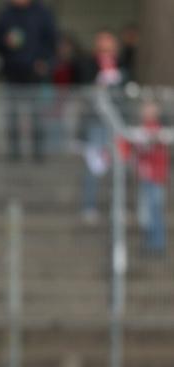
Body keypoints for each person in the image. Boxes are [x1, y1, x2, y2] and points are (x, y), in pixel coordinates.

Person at [0, 0, 56, 161]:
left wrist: (45, 61)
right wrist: (4, 42)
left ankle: (38, 153)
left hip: (35, 72)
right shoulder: (5, 13)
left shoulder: (42, 12)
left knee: (37, 113)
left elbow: (52, 40)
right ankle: (14, 153)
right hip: (11, 71)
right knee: (12, 113)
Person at [79, 30, 127, 223]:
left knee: (118, 166)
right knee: (93, 166)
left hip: (117, 125)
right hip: (95, 123)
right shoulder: (89, 65)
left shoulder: (122, 66)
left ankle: (117, 207)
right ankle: (89, 206)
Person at [119, 101, 170, 254]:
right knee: (147, 211)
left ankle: (157, 244)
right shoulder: (141, 129)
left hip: (155, 177)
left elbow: (154, 150)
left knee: (155, 210)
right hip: (145, 176)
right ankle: (151, 243)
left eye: (149, 109)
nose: (145, 111)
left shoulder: (158, 130)